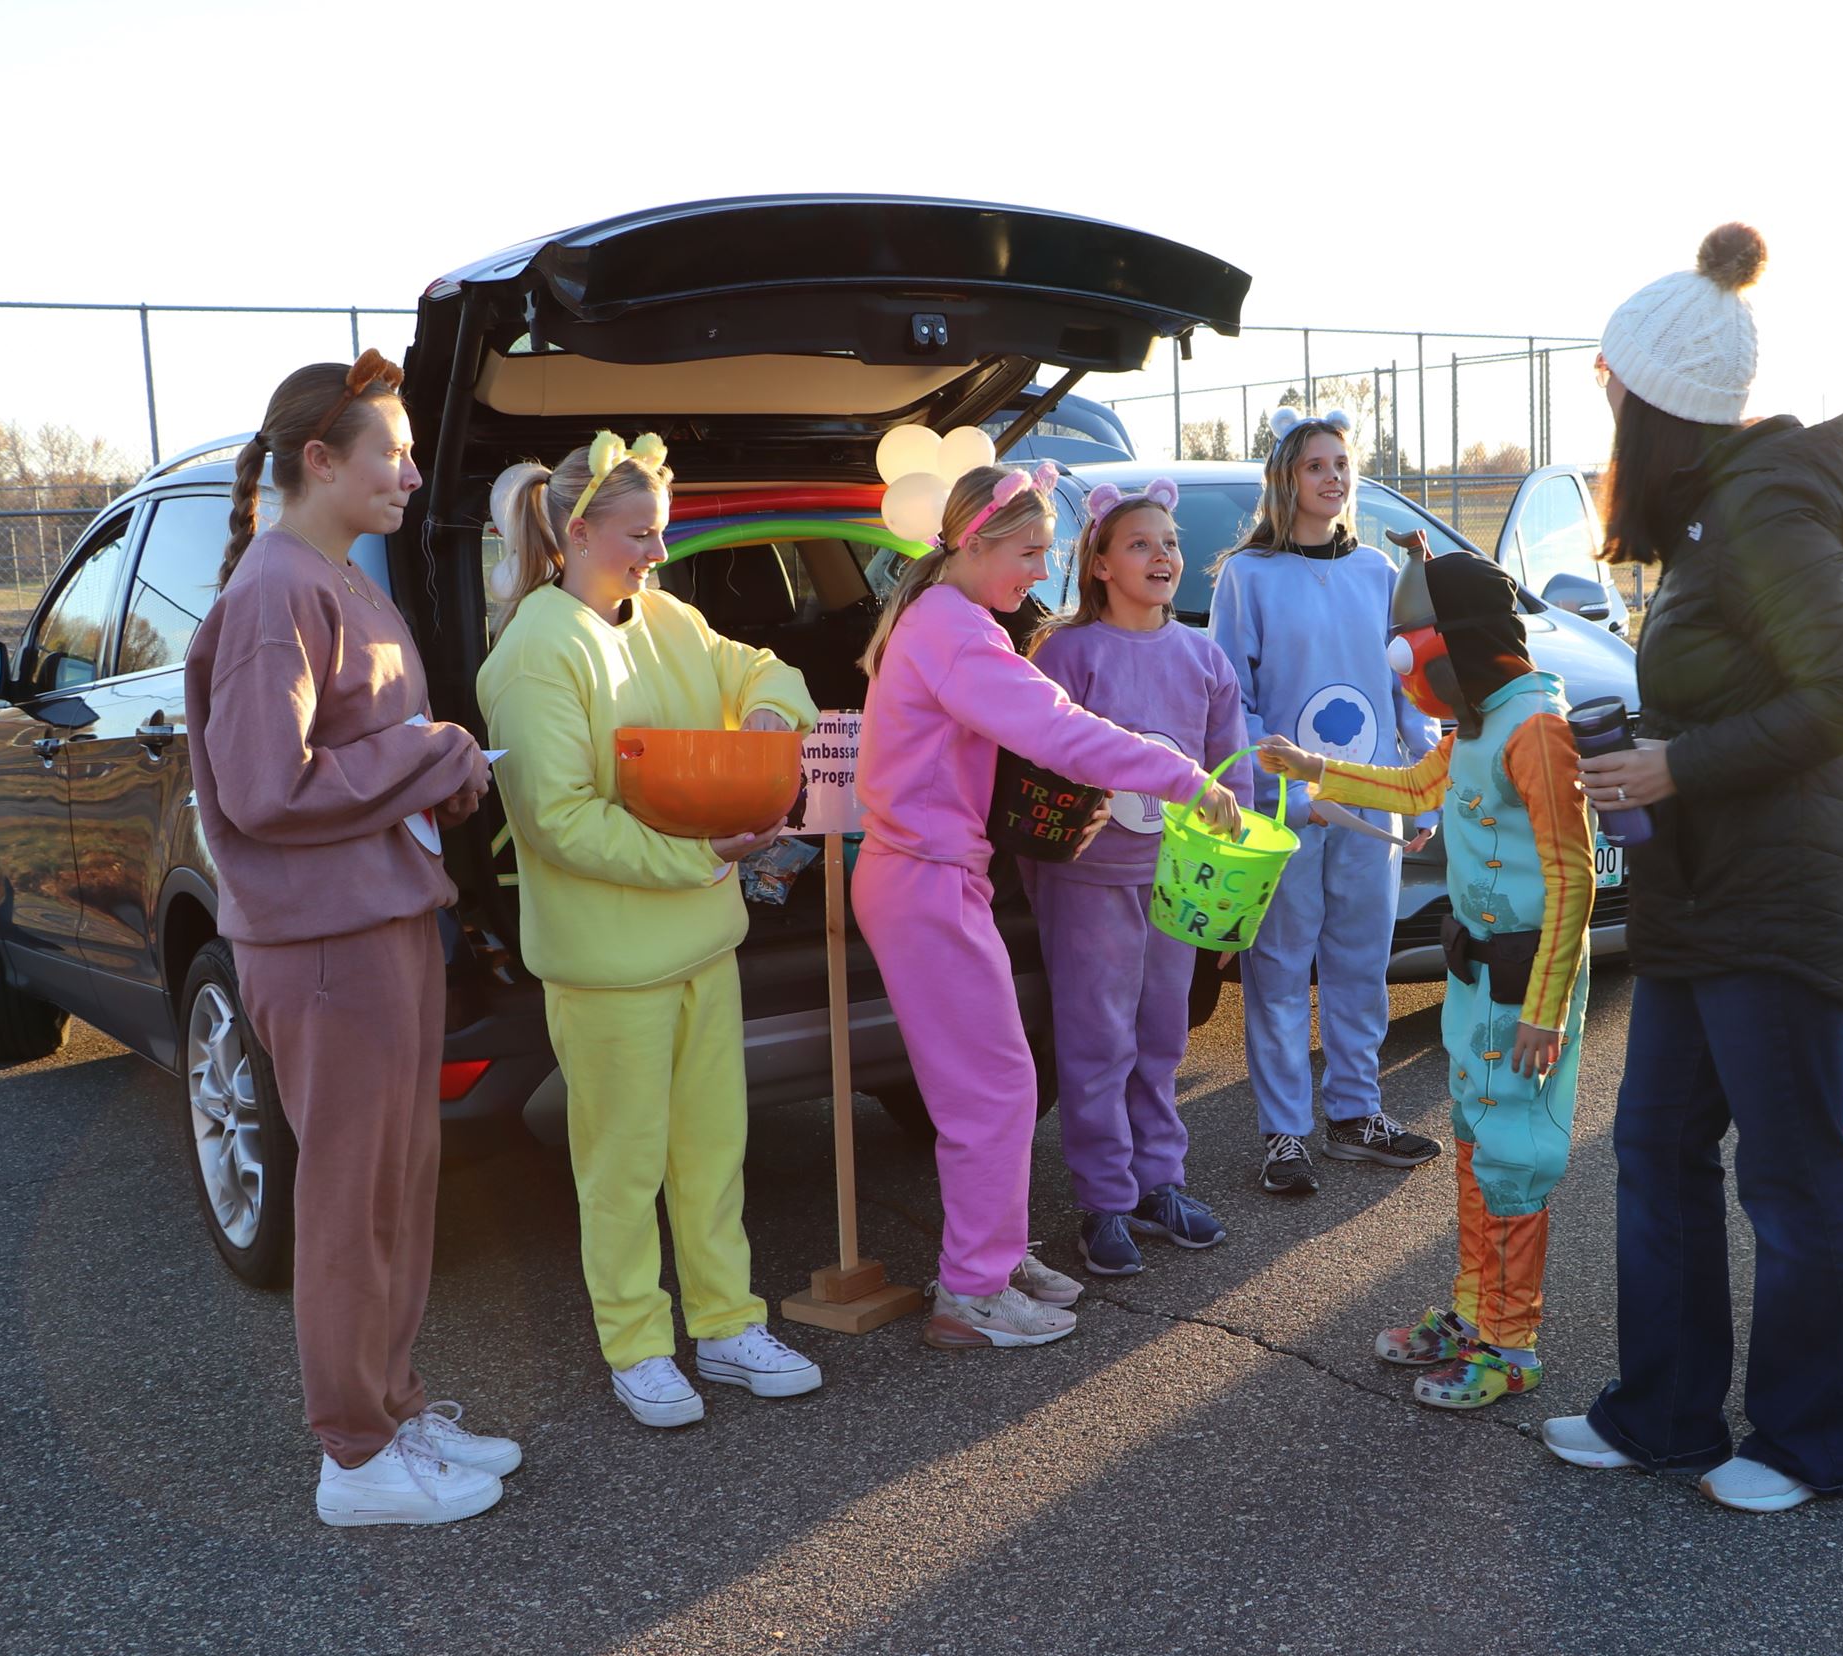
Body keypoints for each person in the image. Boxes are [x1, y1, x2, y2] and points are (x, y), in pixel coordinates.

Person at [1541, 223, 1843, 1513]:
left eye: (1610, 383)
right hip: (1704, 890)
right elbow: (1741, 686)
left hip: (1776, 895)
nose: (1604, 399)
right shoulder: (1707, 518)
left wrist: (1677, 767)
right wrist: (1651, 751)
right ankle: (1666, 1411)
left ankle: (1816, 1438)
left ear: (1658, 398)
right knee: (1655, 1144)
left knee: (1788, 1176)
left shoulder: (1762, 507)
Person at [185, 353, 513, 1526]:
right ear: (319, 460)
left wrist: (449, 772)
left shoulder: (337, 577)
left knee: (400, 1181)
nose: (414, 474)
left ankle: (392, 1404)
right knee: (349, 1193)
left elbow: (357, 763)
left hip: (380, 917)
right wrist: (433, 751)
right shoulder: (279, 589)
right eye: (393, 451)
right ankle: (354, 1456)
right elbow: (266, 785)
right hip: (323, 938)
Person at [479, 432, 826, 1428]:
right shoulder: (534, 650)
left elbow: (768, 669)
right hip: (607, 967)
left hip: (700, 946)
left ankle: (724, 1323)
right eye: (641, 536)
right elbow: (560, 820)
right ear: (576, 531)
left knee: (712, 1151)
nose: (657, 556)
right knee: (623, 1165)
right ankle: (636, 1342)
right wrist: (707, 856)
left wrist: (768, 712)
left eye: (662, 534)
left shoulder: (667, 616)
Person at [853, 462, 1242, 1349]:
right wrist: (1182, 776)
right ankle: (972, 1290)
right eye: (1029, 552)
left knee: (995, 1082)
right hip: (922, 878)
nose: (1038, 573)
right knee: (993, 1087)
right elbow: (1058, 730)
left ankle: (986, 1258)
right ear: (977, 543)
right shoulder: (957, 630)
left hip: (931, 873)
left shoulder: (948, 618)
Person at [1259, 543, 1596, 1410]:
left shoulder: (1536, 729)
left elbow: (1573, 876)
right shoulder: (1480, 724)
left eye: (1415, 650)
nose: (1410, 676)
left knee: (1517, 1158)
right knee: (1478, 1145)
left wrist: (1546, 1011)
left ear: (1458, 642)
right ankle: (1473, 1310)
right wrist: (1315, 767)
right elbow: (1415, 786)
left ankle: (1512, 1342)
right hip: (1477, 984)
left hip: (1527, 989)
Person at [1208, 407, 1442, 1195]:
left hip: (1372, 804)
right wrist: (1274, 786)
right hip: (1288, 810)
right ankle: (1284, 1133)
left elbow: (1407, 684)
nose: (1334, 478)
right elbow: (1229, 697)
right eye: (1317, 465)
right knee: (1276, 969)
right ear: (1287, 478)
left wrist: (1427, 778)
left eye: (1343, 464)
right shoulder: (1248, 576)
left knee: (1361, 963)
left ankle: (1355, 1113)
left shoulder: (1378, 572)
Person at [1025, 479, 1250, 1278]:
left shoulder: (1203, 655)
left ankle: (1160, 1182)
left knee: (1161, 1037)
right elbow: (1037, 764)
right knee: (1097, 1039)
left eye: (1170, 543)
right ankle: (1104, 1200)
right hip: (1087, 883)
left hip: (1176, 882)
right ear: (1099, 565)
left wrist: (1231, 866)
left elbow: (1235, 773)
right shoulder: (1065, 653)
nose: (1162, 557)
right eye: (1140, 544)